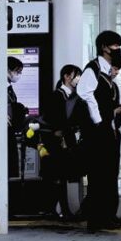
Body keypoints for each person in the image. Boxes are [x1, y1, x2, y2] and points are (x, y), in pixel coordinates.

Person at [77, 31, 121, 232]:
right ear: (104, 48)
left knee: (110, 174)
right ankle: (97, 218)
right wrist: (101, 119)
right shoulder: (93, 69)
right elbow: (85, 94)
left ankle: (108, 215)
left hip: (110, 131)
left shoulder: (107, 75)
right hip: (98, 133)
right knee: (99, 175)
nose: (118, 49)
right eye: (115, 45)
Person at [39, 64, 82, 217]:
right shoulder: (57, 96)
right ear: (67, 76)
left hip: (67, 140)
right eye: (77, 75)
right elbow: (54, 119)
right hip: (56, 142)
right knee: (58, 175)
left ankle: (59, 209)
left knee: (62, 175)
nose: (78, 79)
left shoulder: (73, 96)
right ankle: (59, 209)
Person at [7, 57, 30, 180]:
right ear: (7, 70)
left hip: (10, 130)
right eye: (17, 71)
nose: (19, 75)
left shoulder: (9, 88)